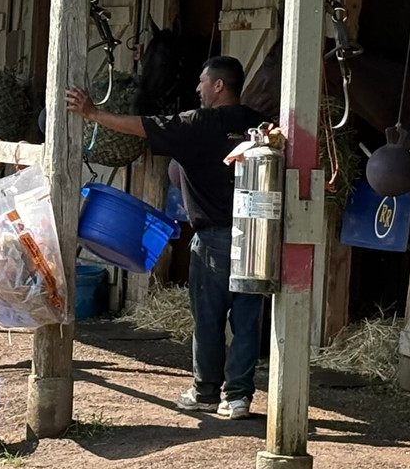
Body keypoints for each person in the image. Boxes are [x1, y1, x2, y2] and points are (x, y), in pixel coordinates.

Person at [66, 56, 265, 420]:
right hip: (257, 237)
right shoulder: (258, 125)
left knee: (209, 318)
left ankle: (206, 392)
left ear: (218, 86)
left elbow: (142, 126)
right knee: (247, 320)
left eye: (202, 82)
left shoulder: (199, 124)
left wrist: (93, 114)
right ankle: (238, 398)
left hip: (215, 237)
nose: (197, 89)